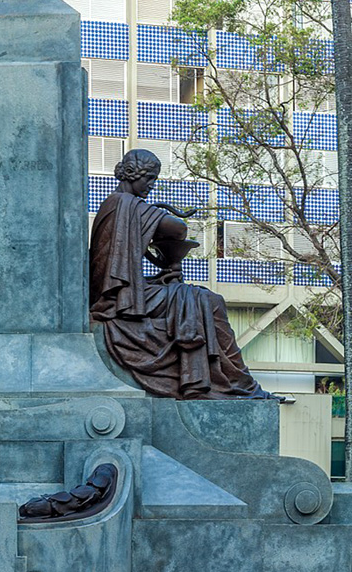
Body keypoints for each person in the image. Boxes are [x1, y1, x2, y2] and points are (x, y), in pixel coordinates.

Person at [90, 149, 274, 400]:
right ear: (133, 174)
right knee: (206, 301)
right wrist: (157, 216)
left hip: (126, 295)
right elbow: (179, 228)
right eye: (149, 179)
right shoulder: (124, 203)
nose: (151, 186)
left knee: (194, 297)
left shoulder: (120, 205)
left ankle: (230, 379)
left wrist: (158, 276)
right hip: (117, 304)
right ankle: (232, 381)